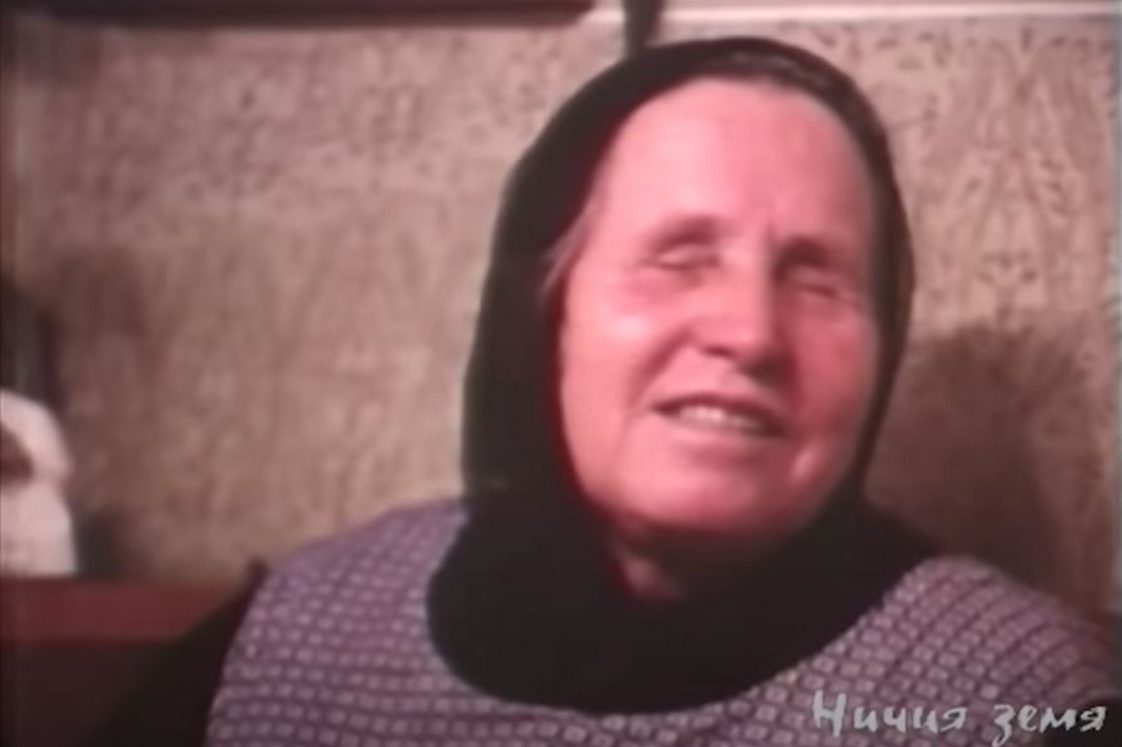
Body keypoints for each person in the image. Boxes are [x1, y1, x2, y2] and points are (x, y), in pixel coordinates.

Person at [197, 37, 1117, 746]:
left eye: (818, 279)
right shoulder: (295, 635)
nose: (751, 334)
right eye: (679, 259)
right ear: (543, 316)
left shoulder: (1016, 697)